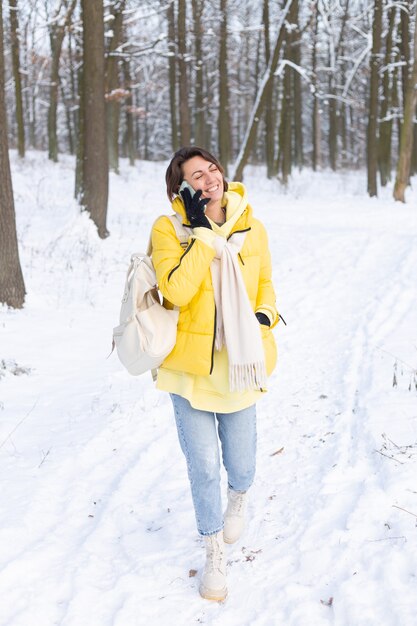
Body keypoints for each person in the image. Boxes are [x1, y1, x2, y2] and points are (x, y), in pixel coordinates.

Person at [151, 146, 279, 602]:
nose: (209, 181)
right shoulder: (170, 230)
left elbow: (266, 286)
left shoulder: (252, 226)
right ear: (181, 189)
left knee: (241, 463)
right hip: (188, 371)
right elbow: (177, 292)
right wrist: (202, 233)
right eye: (196, 177)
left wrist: (262, 318)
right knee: (203, 465)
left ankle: (238, 499)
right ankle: (213, 553)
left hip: (240, 367)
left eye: (212, 170)